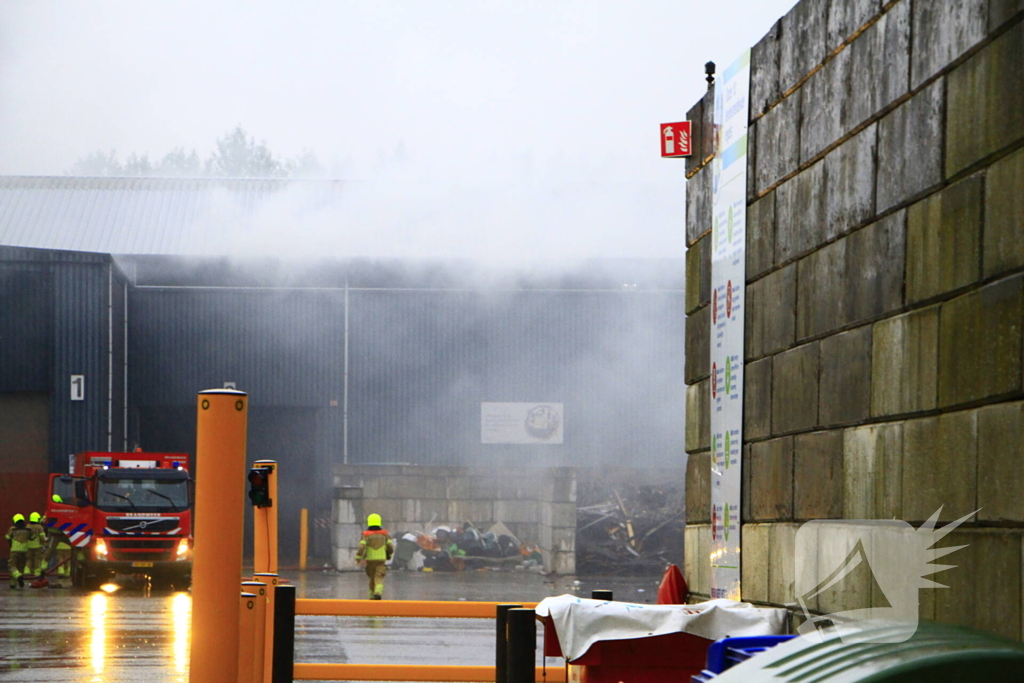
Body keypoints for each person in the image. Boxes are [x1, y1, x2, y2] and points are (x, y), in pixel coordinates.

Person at [355, 513, 394, 600]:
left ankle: (372, 596)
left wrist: (358, 558)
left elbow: (361, 547)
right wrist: (390, 554)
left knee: (371, 578)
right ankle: (378, 593)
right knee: (379, 576)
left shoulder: (366, 534)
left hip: (370, 560)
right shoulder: (384, 534)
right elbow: (390, 546)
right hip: (381, 560)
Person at [5, 514, 36, 589]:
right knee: (21, 567)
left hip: (15, 550)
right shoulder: (28, 530)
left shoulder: (12, 529)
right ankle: (13, 583)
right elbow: (32, 537)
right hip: (24, 550)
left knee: (12, 566)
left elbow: (7, 537)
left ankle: (18, 577)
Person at [26, 512, 46, 577]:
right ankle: (37, 573)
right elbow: (42, 537)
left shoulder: (27, 526)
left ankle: (26, 571)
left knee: (29, 559)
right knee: (37, 559)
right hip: (38, 546)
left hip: (28, 546)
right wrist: (44, 544)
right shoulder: (39, 527)